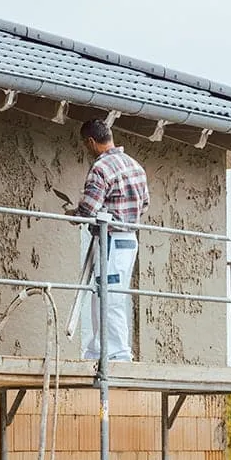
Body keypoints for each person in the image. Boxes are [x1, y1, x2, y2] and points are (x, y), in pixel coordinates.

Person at [66, 119, 149, 361]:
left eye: (86, 144)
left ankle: (116, 353)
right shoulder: (135, 166)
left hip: (111, 239)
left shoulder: (101, 168)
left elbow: (88, 209)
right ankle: (100, 349)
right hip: (129, 240)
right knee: (110, 294)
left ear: (91, 141)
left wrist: (73, 214)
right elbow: (144, 204)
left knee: (107, 296)